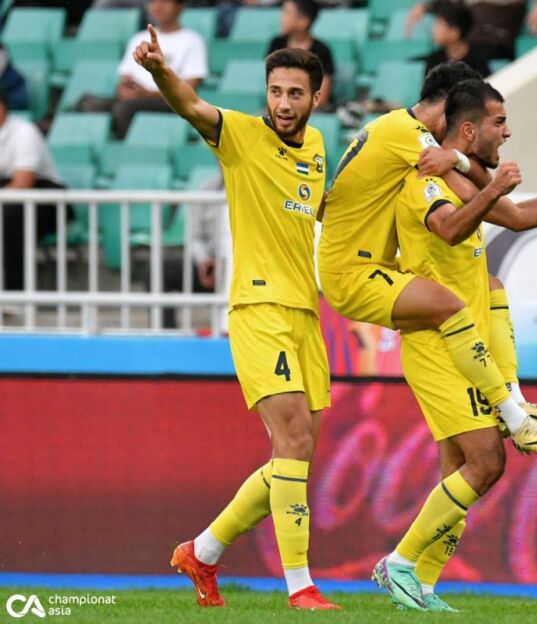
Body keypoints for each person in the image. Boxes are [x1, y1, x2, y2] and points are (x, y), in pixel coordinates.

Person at [372, 79, 537, 612]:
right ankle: (401, 563)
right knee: (486, 463)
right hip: (437, 346)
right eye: (499, 122)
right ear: (467, 128)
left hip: (467, 344)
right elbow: (449, 230)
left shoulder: (460, 176)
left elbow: (520, 217)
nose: (507, 132)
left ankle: (422, 587)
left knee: (458, 472)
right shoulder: (426, 178)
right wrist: (491, 188)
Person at [132, 26, 340, 610]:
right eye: (275, 91)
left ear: (316, 96)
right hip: (258, 308)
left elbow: (320, 208)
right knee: (293, 440)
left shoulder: (317, 146)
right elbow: (193, 107)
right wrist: (160, 71)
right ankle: (300, 586)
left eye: (295, 93)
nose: (283, 103)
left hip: (305, 313)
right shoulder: (242, 136)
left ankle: (202, 552)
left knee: (295, 454)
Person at [319, 62, 537, 457]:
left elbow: (498, 206)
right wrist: (470, 168)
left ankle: (515, 399)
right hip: (352, 274)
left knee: (490, 286)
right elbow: (483, 204)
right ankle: (513, 415)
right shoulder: (410, 136)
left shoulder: (397, 132)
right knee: (449, 305)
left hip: (377, 265)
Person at [79, 0, 208, 139]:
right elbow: (125, 76)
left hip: (169, 102)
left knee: (125, 108)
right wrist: (125, 89)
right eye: (153, 2)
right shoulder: (138, 38)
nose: (158, 7)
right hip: (134, 98)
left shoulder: (193, 40)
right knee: (87, 103)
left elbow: (190, 88)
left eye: (164, 2)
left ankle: (126, 149)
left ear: (179, 7)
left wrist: (148, 94)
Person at [0, 89, 69, 292]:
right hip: (9, 197)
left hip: (47, 202)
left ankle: (16, 293)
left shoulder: (25, 132)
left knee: (10, 217)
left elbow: (23, 182)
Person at [407, 0, 537, 62]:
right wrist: (426, 7)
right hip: (470, 46)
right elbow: (451, 10)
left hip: (496, 47)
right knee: (432, 61)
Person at [267, 0, 335, 108]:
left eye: (287, 13)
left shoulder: (322, 51)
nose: (281, 18)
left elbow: (322, 97)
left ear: (303, 22)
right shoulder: (276, 44)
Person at [421, 0, 490, 77]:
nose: (433, 28)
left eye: (439, 23)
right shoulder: (433, 61)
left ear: (454, 33)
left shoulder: (477, 59)